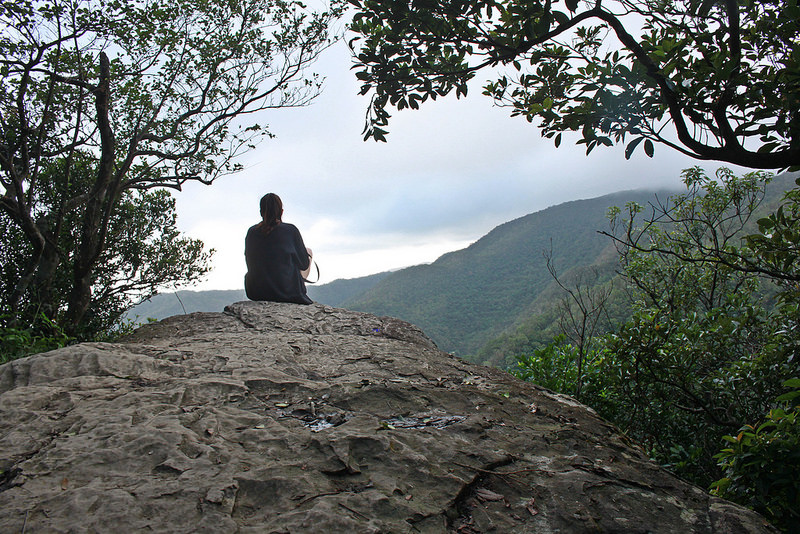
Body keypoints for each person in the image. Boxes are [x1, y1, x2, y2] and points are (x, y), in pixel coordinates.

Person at [244, 193, 313, 304]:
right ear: (281, 212)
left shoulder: (251, 232)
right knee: (308, 251)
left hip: (256, 292)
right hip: (286, 293)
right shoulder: (291, 230)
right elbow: (304, 264)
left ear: (261, 212)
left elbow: (249, 262)